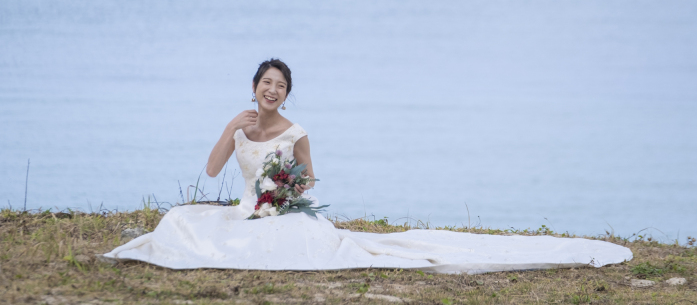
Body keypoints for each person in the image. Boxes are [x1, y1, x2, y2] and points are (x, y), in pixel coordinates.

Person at [105, 59, 632, 273]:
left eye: (281, 86)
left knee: (296, 242)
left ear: (287, 94)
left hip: (279, 210)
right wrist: (227, 129)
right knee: (180, 221)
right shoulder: (240, 124)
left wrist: (285, 196)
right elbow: (214, 173)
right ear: (253, 87)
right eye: (266, 82)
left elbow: (310, 177)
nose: (272, 90)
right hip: (244, 208)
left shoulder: (296, 132)